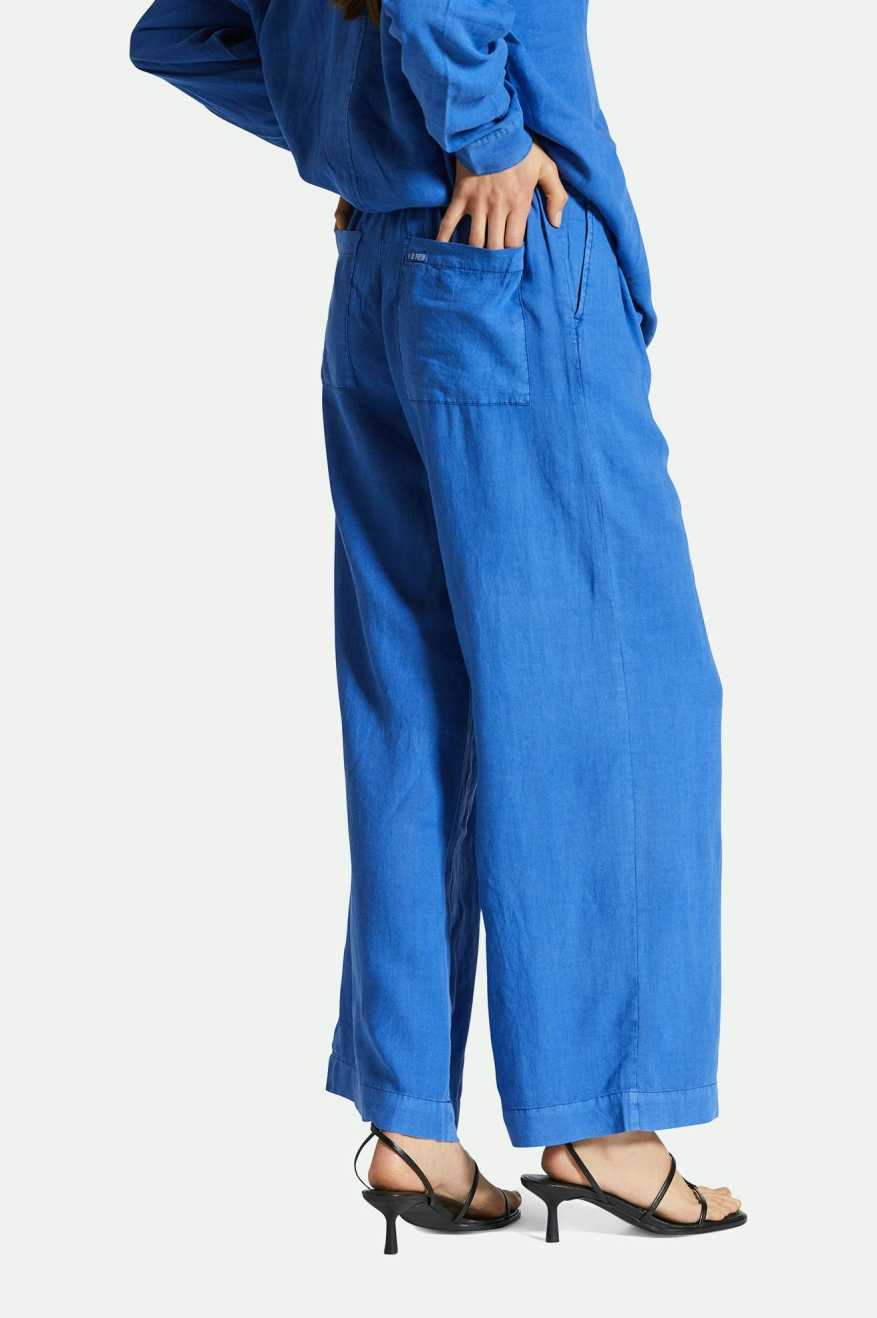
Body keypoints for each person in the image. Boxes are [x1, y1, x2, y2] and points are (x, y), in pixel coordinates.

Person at [131, 0, 745, 1250]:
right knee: (616, 695)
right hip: (508, 266)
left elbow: (181, 31)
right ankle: (603, 1120)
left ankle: (410, 1122)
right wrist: (480, 136)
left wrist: (370, 139)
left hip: (378, 278)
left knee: (412, 698)